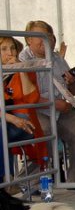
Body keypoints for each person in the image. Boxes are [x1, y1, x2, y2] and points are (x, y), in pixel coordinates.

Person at [19, 21, 75, 185]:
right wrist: (53, 103)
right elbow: (26, 95)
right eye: (38, 37)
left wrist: (73, 82)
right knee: (44, 131)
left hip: (61, 110)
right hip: (36, 110)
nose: (44, 40)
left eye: (47, 36)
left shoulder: (57, 58)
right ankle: (28, 181)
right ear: (28, 40)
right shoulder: (22, 60)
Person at [1, 36, 48, 170]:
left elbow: (31, 99)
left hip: (24, 122)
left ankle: (6, 179)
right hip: (8, 120)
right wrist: (10, 118)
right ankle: (6, 180)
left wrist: (21, 69)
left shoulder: (27, 71)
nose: (10, 53)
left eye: (13, 48)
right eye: (4, 49)